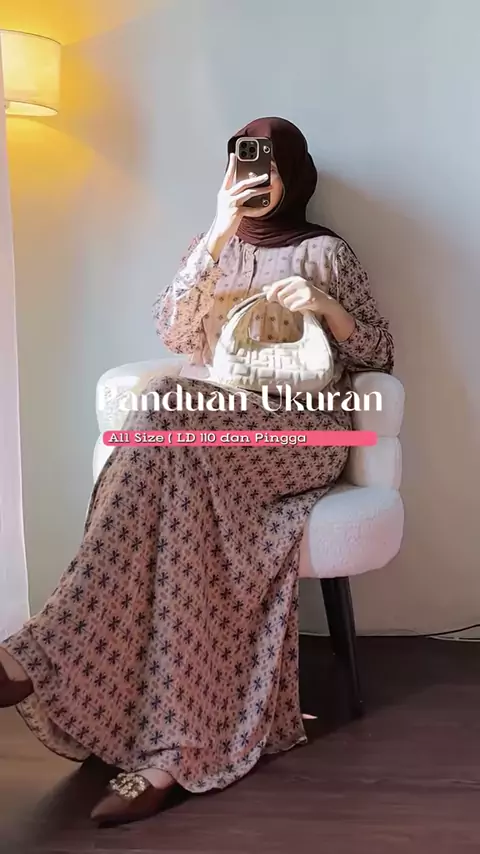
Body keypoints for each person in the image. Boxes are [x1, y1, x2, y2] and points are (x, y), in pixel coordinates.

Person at [0, 117, 394, 827]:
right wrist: (216, 232)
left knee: (163, 407)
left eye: (269, 164)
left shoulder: (326, 251)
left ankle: (37, 658)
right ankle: (168, 753)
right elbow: (177, 333)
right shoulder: (212, 247)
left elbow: (378, 351)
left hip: (301, 428)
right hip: (214, 425)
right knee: (167, 429)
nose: (256, 177)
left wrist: (326, 306)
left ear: (294, 173)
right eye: (244, 163)